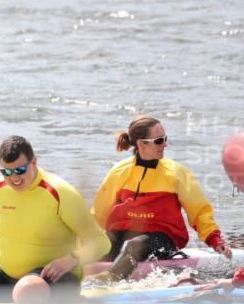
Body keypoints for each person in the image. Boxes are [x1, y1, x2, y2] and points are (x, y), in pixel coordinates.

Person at [0, 136, 111, 304]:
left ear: (34, 162)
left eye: (20, 170)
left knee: (27, 290)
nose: (14, 178)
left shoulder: (60, 193)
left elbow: (102, 242)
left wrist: (70, 260)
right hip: (6, 274)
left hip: (52, 278)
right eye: (6, 172)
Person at [91, 115, 232, 280]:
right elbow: (99, 212)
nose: (165, 144)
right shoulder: (119, 171)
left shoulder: (177, 173)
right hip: (123, 233)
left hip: (162, 238)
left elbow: (199, 211)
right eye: (159, 140)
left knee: (135, 245)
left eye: (165, 138)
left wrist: (215, 240)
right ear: (141, 143)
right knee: (101, 244)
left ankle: (107, 281)